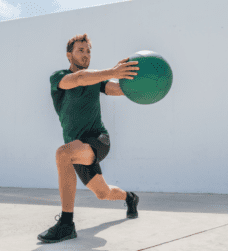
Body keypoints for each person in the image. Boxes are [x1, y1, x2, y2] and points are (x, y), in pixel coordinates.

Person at [37, 33, 140, 243]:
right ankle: (130, 198)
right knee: (102, 193)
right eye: (80, 51)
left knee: (62, 154)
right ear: (69, 55)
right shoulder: (59, 77)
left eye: (88, 51)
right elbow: (79, 78)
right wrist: (111, 71)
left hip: (98, 140)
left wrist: (135, 80)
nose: (86, 55)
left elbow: (119, 90)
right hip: (78, 148)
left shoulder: (97, 80)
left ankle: (66, 224)